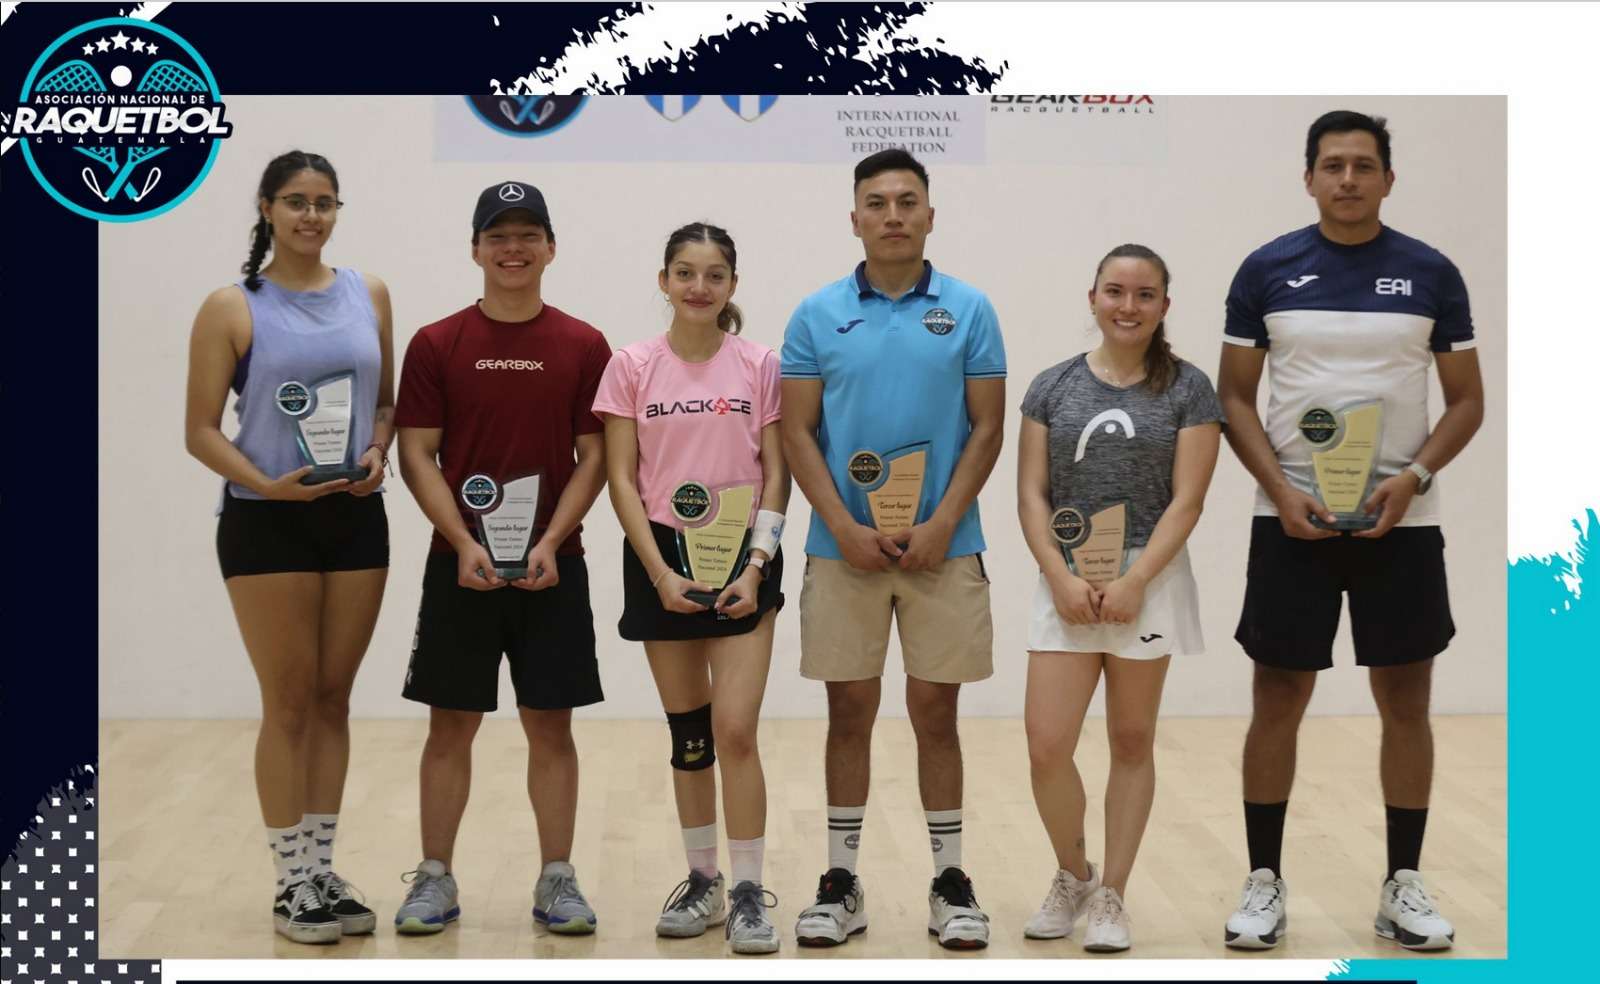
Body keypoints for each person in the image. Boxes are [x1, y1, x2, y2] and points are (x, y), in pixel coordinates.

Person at [1217, 111, 1484, 951]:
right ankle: (1264, 881)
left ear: (1388, 180)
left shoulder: (1432, 273)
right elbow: (1233, 398)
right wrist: (1277, 489)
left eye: (1364, 165)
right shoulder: (1267, 270)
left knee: (1406, 702)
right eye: (1332, 165)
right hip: (1290, 520)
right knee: (1277, 698)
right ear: (1309, 178)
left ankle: (1402, 883)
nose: (1347, 179)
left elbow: (1468, 400)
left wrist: (1414, 480)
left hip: (1400, 526)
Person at [780, 149, 1007, 950]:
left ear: (930, 215)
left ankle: (950, 880)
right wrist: (841, 525)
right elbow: (796, 431)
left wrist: (945, 520)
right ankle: (841, 882)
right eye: (876, 203)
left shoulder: (970, 309)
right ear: (855, 219)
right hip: (843, 551)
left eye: (908, 201)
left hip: (947, 547)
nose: (893, 214)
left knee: (936, 714)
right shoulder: (815, 313)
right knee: (848, 712)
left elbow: (988, 425)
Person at [390, 181, 611, 937]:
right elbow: (415, 453)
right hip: (460, 567)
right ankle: (434, 877)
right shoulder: (435, 343)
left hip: (555, 566)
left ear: (551, 247)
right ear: (476, 248)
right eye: (497, 235)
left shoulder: (583, 345)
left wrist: (551, 541)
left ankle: (557, 878)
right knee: (449, 725)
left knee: (551, 726)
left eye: (527, 234)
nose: (512, 248)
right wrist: (460, 541)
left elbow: (596, 456)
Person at [184, 150, 392, 945]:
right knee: (290, 700)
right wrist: (266, 486)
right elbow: (201, 430)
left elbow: (387, 404)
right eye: (297, 202)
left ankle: (323, 866)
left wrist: (376, 452)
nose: (312, 216)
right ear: (268, 209)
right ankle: (289, 880)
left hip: (353, 518)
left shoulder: (367, 293)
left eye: (326, 202)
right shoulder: (231, 306)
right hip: (266, 519)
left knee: (335, 697)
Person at [1016, 245, 1222, 952]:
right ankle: (1075, 874)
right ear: (1093, 297)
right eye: (1115, 292)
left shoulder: (1190, 389)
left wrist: (1137, 580)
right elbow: (1031, 494)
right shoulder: (1051, 387)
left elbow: (1189, 500)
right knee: (1047, 747)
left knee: (1131, 740)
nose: (1127, 306)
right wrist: (1060, 576)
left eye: (1143, 295)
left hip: (1150, 581)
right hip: (1065, 580)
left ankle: (1113, 895)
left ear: (1165, 304)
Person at [592, 222, 791, 955]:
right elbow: (620, 475)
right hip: (661, 556)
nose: (698, 287)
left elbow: (777, 469)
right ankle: (702, 879)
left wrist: (756, 566)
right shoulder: (631, 364)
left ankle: (745, 890)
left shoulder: (760, 364)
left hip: (744, 555)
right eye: (685, 273)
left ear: (732, 285)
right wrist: (659, 572)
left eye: (713, 275)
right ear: (664, 280)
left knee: (737, 731)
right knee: (692, 737)